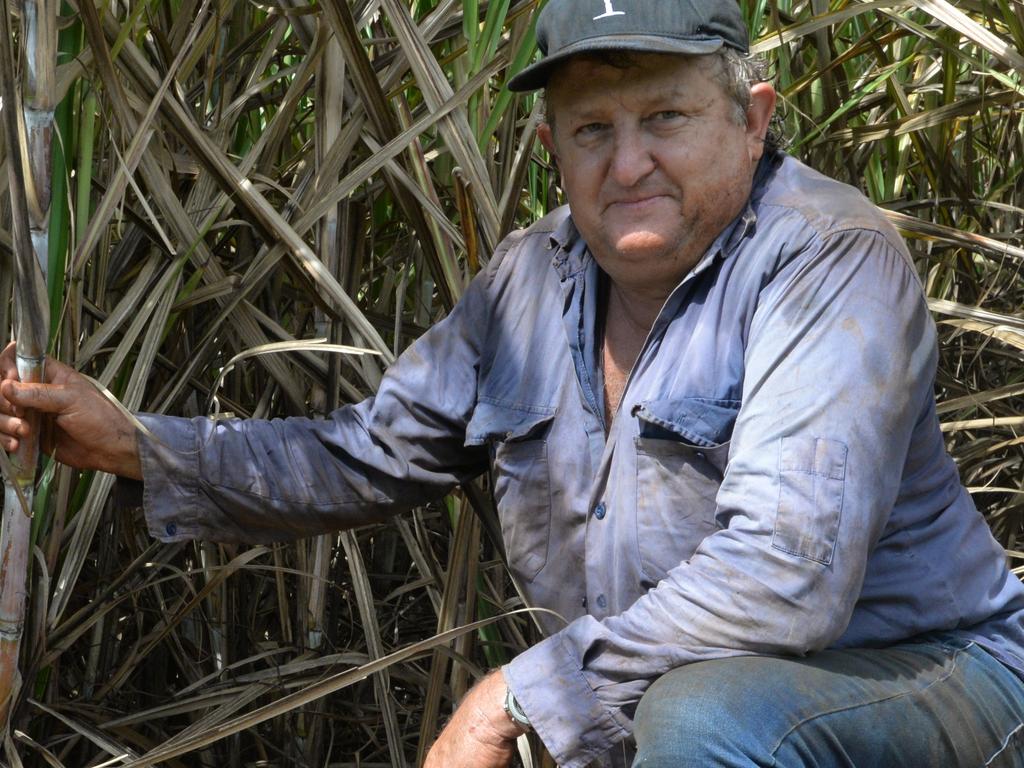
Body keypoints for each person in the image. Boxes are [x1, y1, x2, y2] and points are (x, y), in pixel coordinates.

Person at [3, 1, 1024, 765]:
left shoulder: (824, 258)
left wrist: (516, 696)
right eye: (592, 130)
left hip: (926, 675)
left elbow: (784, 572)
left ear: (751, 119)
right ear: (549, 149)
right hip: (676, 705)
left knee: (705, 715)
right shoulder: (530, 283)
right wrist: (134, 443)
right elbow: (366, 452)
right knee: (685, 710)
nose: (627, 163)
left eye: (665, 117)